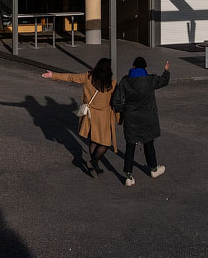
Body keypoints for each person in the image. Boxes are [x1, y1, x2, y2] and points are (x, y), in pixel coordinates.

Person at [41, 57, 117, 177]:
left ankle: (94, 167)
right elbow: (115, 101)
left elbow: (71, 77)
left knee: (94, 140)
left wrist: (53, 75)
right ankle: (94, 161)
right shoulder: (112, 83)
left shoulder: (88, 77)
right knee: (105, 143)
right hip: (104, 116)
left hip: (90, 115)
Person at [111, 56, 170, 187]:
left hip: (131, 119)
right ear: (145, 68)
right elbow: (164, 81)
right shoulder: (150, 80)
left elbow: (116, 101)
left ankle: (128, 175)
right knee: (149, 143)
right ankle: (154, 169)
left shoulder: (125, 81)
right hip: (148, 118)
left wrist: (124, 110)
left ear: (133, 67)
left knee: (130, 146)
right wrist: (166, 70)